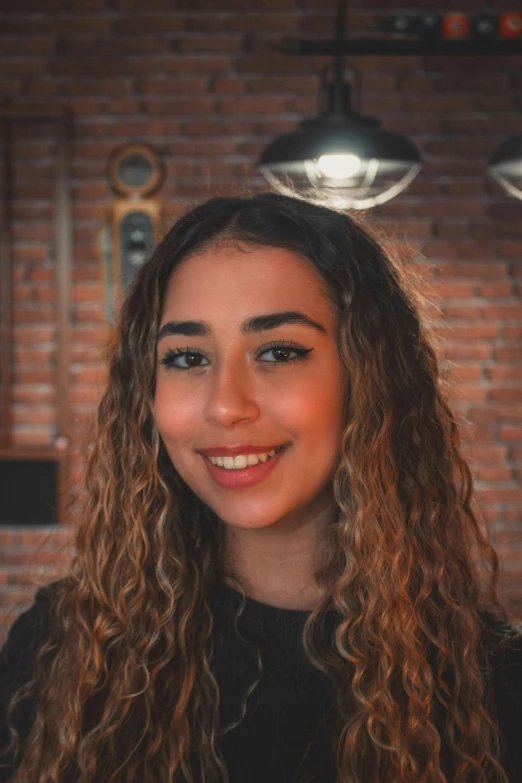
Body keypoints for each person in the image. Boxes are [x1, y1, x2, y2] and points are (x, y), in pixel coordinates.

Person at [0, 192, 521, 783]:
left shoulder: (496, 686)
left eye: (278, 351)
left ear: (368, 378)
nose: (225, 405)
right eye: (187, 357)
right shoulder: (60, 646)